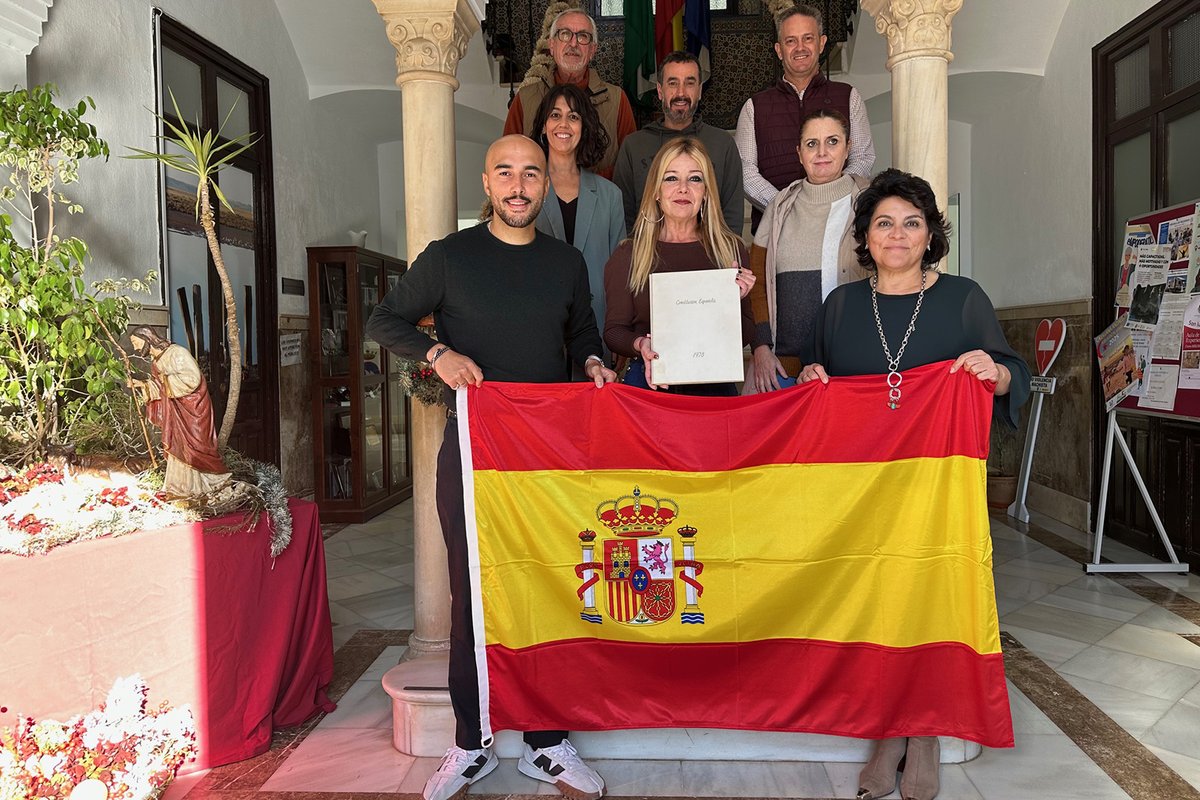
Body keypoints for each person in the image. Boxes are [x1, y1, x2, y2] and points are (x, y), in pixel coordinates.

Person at [366, 135, 616, 800]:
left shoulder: (566, 263)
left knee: (549, 587)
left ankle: (546, 742)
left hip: (547, 456)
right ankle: (470, 740)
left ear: (545, 184)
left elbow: (583, 333)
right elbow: (383, 319)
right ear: (486, 182)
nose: (518, 185)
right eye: (505, 172)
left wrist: (593, 361)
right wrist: (437, 354)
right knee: (470, 592)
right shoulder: (450, 258)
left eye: (531, 173)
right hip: (474, 450)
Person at [799, 169, 1031, 800]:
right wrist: (813, 379)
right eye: (884, 223)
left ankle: (923, 732)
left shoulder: (963, 297)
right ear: (866, 237)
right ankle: (887, 730)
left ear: (930, 235)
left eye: (911, 223)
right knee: (875, 603)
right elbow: (815, 385)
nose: (897, 235)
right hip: (862, 494)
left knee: (930, 599)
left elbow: (1013, 372)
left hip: (935, 494)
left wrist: (992, 372)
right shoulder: (841, 307)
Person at [603, 136, 757, 396]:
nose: (683, 188)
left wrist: (731, 303)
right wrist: (640, 344)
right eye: (671, 178)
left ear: (706, 192)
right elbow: (613, 331)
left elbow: (747, 334)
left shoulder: (730, 250)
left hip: (714, 389)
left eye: (695, 179)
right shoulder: (629, 254)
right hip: (650, 385)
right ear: (656, 191)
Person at [745, 108, 869, 394]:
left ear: (848, 148)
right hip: (782, 371)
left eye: (832, 141)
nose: (822, 152)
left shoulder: (869, 204)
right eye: (812, 144)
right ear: (799, 153)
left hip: (851, 369)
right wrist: (761, 346)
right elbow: (757, 283)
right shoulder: (779, 207)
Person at [735, 3, 875, 233]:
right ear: (779, 50)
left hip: (838, 227)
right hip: (777, 231)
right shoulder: (754, 107)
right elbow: (746, 172)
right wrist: (788, 207)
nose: (800, 47)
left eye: (808, 38)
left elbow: (863, 157)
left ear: (821, 43)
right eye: (791, 41)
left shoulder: (849, 97)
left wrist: (829, 201)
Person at [531, 83, 626, 366]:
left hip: (597, 326)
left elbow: (620, 275)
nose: (564, 124)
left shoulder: (610, 195)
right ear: (543, 126)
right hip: (538, 329)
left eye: (573, 116)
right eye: (555, 115)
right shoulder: (525, 192)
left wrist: (619, 330)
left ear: (584, 127)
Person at [612, 51, 744, 234]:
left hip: (711, 251)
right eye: (673, 83)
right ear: (660, 91)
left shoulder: (723, 144)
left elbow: (732, 217)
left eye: (689, 83)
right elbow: (623, 217)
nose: (681, 93)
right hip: (647, 250)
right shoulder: (634, 146)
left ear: (699, 91)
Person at [504, 8, 636, 179]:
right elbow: (508, 157)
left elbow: (629, 161)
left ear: (593, 50)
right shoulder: (525, 98)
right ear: (552, 45)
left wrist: (590, 186)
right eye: (565, 34)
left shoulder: (616, 99)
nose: (573, 44)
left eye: (583, 36)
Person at [127, 327, 232, 498]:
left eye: (135, 342)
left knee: (195, 447)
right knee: (177, 445)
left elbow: (193, 379)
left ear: (146, 338)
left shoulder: (176, 353)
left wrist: (166, 380)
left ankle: (203, 484)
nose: (135, 348)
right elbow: (161, 389)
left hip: (192, 409)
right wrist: (143, 385)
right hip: (175, 412)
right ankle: (181, 486)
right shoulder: (156, 362)